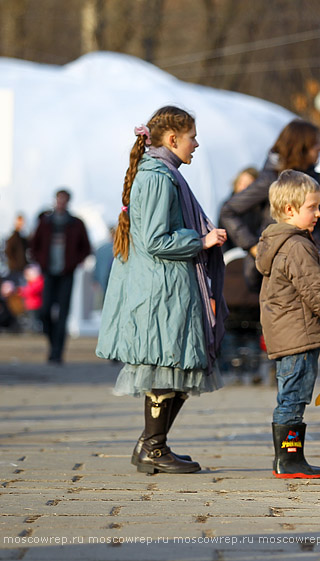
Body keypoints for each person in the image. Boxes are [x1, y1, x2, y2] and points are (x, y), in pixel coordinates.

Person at [96, 106, 228, 475]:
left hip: (168, 288)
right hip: (160, 292)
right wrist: (201, 240)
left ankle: (152, 444)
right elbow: (155, 240)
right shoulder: (157, 177)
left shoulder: (163, 173)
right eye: (192, 137)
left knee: (182, 368)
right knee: (165, 368)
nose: (196, 144)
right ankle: (153, 448)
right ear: (173, 139)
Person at [255, 169, 320, 479]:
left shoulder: (284, 242)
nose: (318, 213)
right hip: (298, 335)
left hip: (291, 333)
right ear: (289, 210)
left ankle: (290, 458)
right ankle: (288, 460)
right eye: (312, 207)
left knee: (292, 396)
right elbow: (317, 294)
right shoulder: (296, 246)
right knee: (293, 398)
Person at [220, 119, 320, 293]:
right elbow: (228, 210)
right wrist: (254, 247)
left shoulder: (319, 180)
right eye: (315, 144)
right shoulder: (271, 179)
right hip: (275, 273)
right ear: (301, 147)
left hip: (313, 269)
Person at [30, 189, 92, 364]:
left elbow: (86, 248)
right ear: (55, 200)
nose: (61, 202)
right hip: (49, 272)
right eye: (59, 199)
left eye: (64, 200)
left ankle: (57, 352)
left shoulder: (76, 223)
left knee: (63, 314)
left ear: (68, 202)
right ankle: (52, 343)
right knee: (45, 311)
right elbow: (34, 245)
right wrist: (40, 262)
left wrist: (74, 262)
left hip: (67, 273)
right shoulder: (45, 222)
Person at [219, 167, 258, 254]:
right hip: (231, 256)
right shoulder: (227, 208)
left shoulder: (259, 210)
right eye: (241, 183)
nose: (243, 188)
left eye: (248, 185)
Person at [4, 214, 29, 286]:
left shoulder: (22, 237)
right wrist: (14, 263)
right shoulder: (13, 237)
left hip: (21, 267)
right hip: (15, 268)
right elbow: (8, 252)